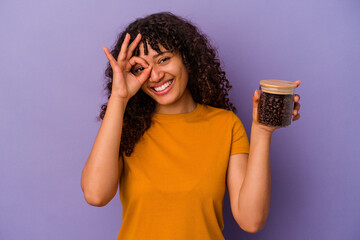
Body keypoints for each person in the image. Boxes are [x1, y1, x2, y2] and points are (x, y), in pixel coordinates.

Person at [80, 12, 301, 239]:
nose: (155, 75)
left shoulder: (226, 125)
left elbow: (251, 220)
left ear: (186, 57)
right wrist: (119, 97)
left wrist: (262, 133)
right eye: (140, 68)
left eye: (163, 59)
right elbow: (96, 195)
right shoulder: (124, 127)